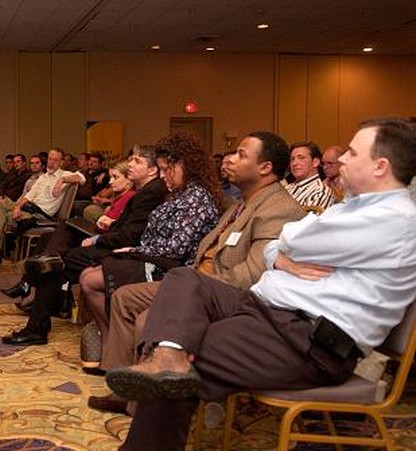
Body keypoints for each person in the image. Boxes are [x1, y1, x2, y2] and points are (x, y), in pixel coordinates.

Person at [106, 118, 416, 451]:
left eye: (353, 153)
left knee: (181, 357)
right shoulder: (353, 208)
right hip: (267, 314)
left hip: (307, 341)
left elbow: (292, 236)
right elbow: (277, 247)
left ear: (380, 166)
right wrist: (281, 257)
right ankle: (169, 358)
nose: (342, 160)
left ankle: (168, 368)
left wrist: (286, 248)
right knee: (184, 279)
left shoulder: (396, 220)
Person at [87, 131, 305, 414]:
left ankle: (143, 404)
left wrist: (196, 284)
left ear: (265, 168)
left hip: (225, 293)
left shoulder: (279, 209)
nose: (229, 159)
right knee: (125, 297)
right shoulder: (243, 203)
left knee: (147, 318)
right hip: (197, 279)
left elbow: (252, 275)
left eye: (240, 154)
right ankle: (123, 386)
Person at [77, 132, 221, 369]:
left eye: (167, 170)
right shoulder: (180, 193)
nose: (163, 176)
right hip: (152, 256)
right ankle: (111, 341)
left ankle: (112, 341)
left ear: (185, 166)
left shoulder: (197, 197)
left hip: (169, 267)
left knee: (91, 279)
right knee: (87, 274)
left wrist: (136, 249)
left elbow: (177, 248)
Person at [0, 145, 168, 345]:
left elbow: (129, 236)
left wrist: (98, 239)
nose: (130, 164)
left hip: (125, 252)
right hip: (116, 241)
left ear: (152, 170)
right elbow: (130, 228)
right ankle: (40, 314)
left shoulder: (150, 192)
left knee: (55, 263)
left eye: (137, 161)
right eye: (131, 159)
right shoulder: (147, 190)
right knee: (60, 239)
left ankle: (37, 323)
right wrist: (109, 227)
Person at [0, 149, 84, 266]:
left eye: (55, 160)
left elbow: (81, 178)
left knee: (1, 213)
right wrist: (17, 207)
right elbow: (27, 197)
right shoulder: (42, 178)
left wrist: (62, 180)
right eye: (50, 159)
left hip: (40, 214)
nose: (51, 163)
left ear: (61, 162)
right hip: (27, 207)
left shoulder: (65, 174)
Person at [286, 141, 335, 210]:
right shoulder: (287, 188)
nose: (294, 163)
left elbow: (309, 220)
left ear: (315, 162)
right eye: (292, 159)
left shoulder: (320, 192)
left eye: (301, 158)